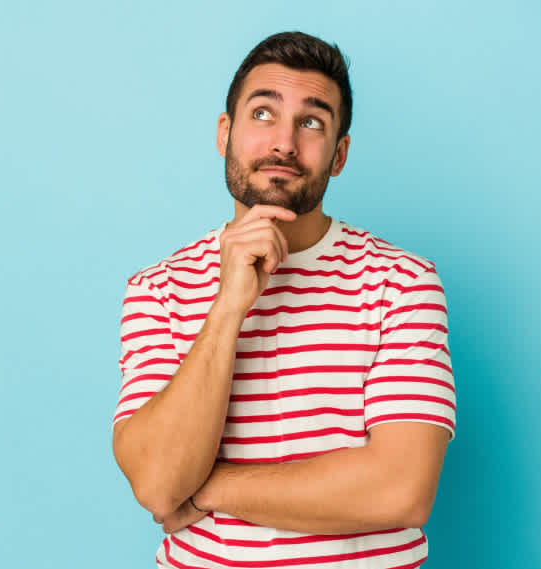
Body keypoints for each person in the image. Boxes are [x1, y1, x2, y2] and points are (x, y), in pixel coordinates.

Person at [112, 31, 455, 568]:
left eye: (312, 122)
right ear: (225, 133)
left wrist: (207, 489)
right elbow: (158, 486)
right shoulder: (158, 289)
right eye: (263, 114)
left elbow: (401, 490)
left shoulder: (401, 281)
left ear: (339, 155)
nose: (285, 143)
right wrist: (228, 306)